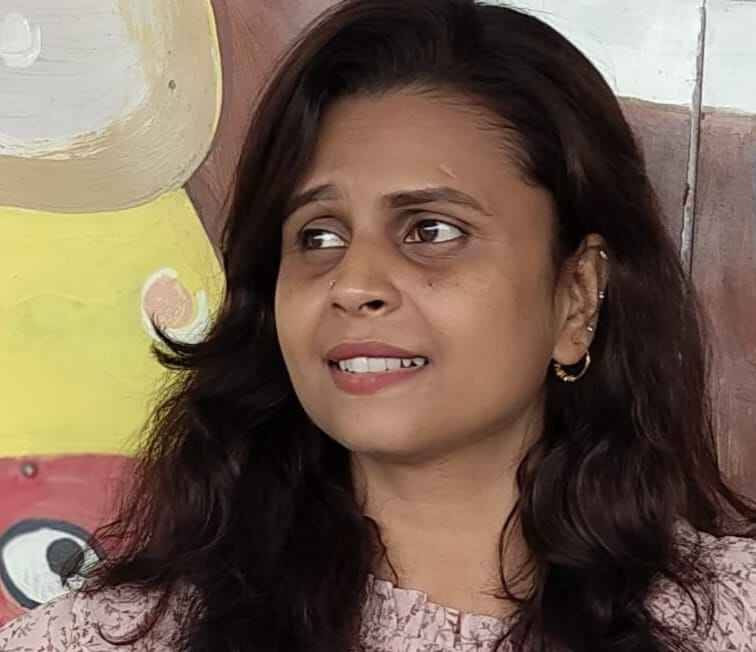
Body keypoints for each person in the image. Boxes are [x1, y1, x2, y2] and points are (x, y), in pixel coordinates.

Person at [2, 0, 756, 650]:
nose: (354, 283)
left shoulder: (731, 620)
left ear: (577, 296)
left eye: (432, 230)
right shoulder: (113, 637)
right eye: (318, 236)